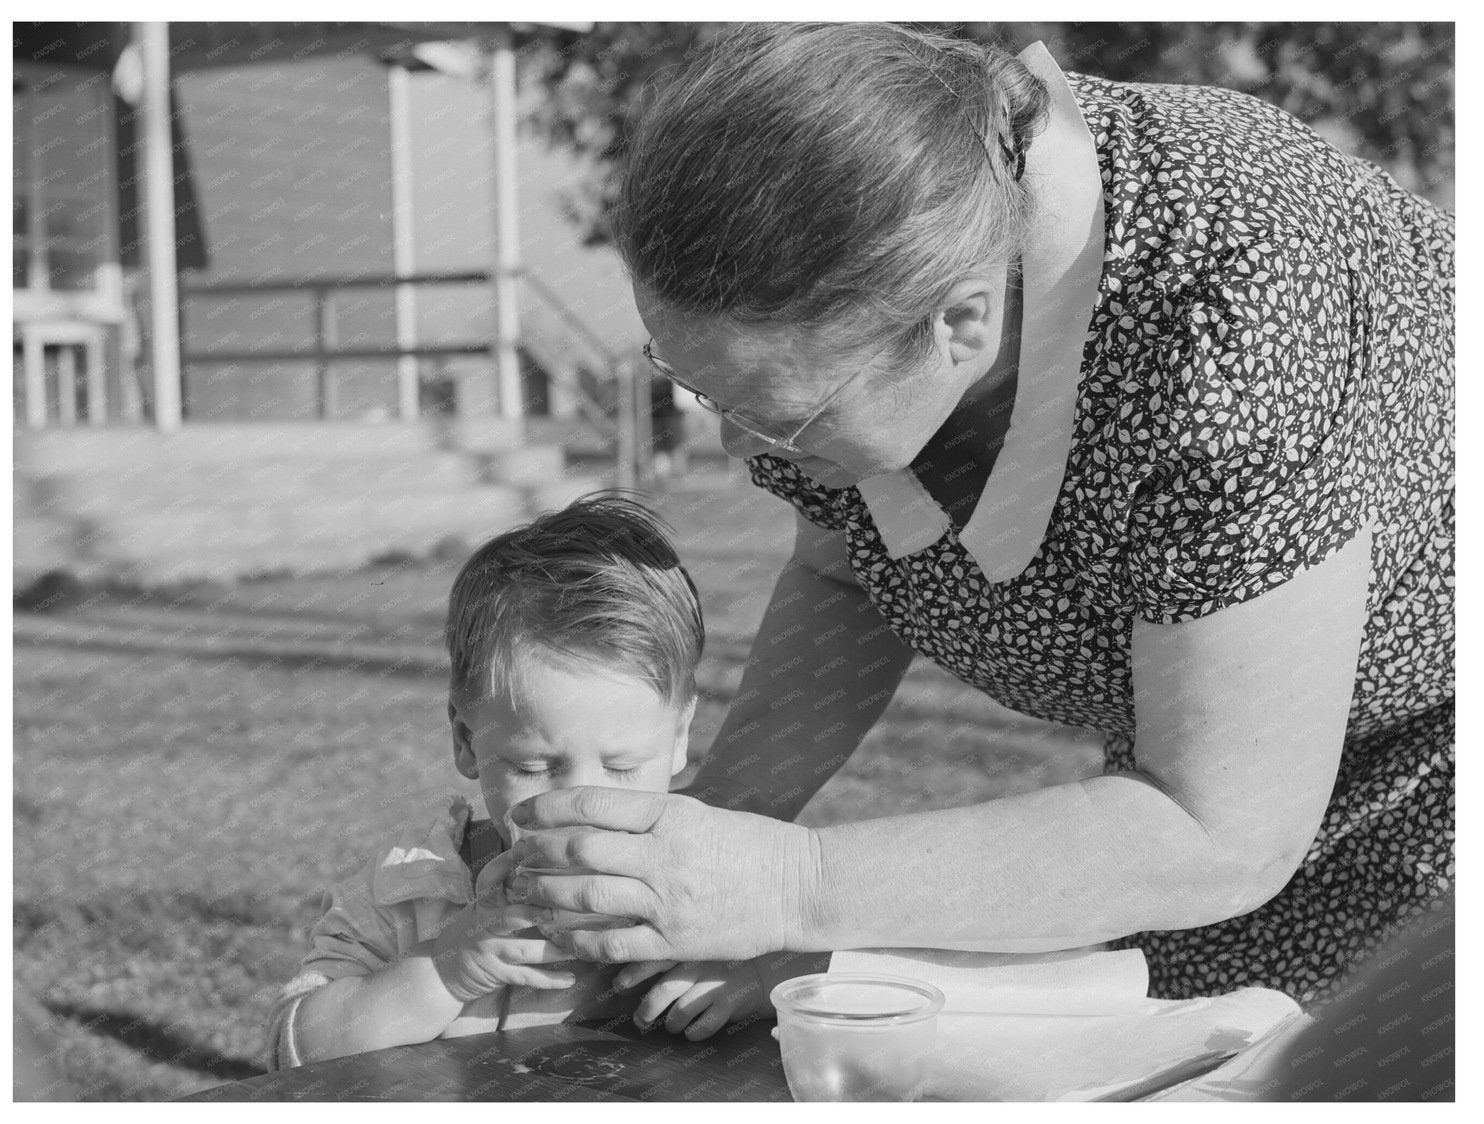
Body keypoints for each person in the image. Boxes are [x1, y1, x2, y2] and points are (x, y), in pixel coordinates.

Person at [497, 22, 1454, 1030]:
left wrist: (787, 884)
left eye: (779, 415)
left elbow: (1214, 829)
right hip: (1223, 801)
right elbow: (847, 576)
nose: (745, 456)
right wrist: (693, 843)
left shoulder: (1229, 319)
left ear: (960, 324)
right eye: (696, 386)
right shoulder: (909, 225)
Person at [264, 495, 820, 1067]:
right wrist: (442, 972)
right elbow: (293, 1052)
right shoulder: (410, 891)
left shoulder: (717, 873)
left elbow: (853, 967)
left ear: (678, 737)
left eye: (622, 765)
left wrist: (756, 975)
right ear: (465, 740)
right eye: (534, 767)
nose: (580, 804)